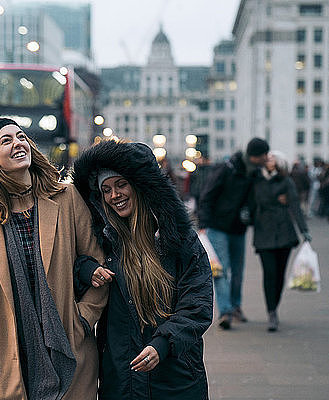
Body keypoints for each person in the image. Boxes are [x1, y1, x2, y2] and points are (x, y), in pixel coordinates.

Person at [0, 118, 108, 400]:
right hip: (11, 358)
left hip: (71, 348)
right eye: (6, 140)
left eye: (20, 136)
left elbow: (97, 263)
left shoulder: (66, 198)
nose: (18, 143)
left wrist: (83, 319)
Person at [72, 140, 213, 399]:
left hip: (174, 376)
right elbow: (68, 272)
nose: (114, 195)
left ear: (141, 186)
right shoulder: (103, 241)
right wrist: (86, 269)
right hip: (120, 377)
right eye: (106, 189)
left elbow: (198, 305)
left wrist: (163, 344)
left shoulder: (180, 241)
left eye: (121, 184)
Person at [198, 137, 269, 329]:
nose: (267, 158)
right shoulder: (227, 169)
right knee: (221, 269)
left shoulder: (255, 173)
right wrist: (203, 224)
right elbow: (207, 195)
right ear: (255, 156)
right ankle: (226, 311)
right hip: (217, 226)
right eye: (264, 155)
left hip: (238, 227)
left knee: (237, 271)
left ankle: (235, 306)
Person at [249, 151, 311, 331]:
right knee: (269, 274)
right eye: (267, 158)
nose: (269, 160)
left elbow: (295, 206)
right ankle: (271, 312)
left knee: (280, 274)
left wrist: (304, 230)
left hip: (284, 233)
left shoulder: (285, 181)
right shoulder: (256, 180)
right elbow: (254, 201)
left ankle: (274, 306)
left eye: (272, 158)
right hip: (264, 233)